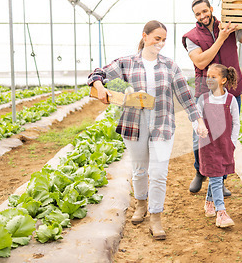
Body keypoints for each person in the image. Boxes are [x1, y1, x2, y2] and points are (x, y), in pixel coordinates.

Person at [88, 20, 208, 240]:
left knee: (159, 173)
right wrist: (100, 88)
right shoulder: (128, 63)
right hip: (135, 123)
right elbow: (97, 74)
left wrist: (197, 120)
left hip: (162, 123)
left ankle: (155, 218)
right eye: (156, 38)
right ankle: (141, 205)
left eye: (163, 40)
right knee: (140, 170)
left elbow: (185, 96)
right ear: (145, 36)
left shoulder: (169, 66)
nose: (160, 43)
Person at [182, 0, 242, 195]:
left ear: (211, 9)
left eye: (204, 11)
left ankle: (220, 180)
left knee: (225, 137)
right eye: (198, 14)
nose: (202, 16)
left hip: (230, 91)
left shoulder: (231, 27)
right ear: (194, 16)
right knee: (200, 136)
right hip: (205, 93)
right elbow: (201, 62)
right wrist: (221, 37)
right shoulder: (191, 37)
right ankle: (199, 172)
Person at [193, 63, 240, 228]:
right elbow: (195, 119)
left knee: (218, 174)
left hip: (225, 144)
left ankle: (208, 202)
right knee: (216, 176)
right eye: (208, 77)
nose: (209, 80)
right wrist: (199, 128)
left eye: (214, 77)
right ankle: (221, 212)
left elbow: (236, 124)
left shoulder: (230, 100)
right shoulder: (203, 99)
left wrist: (232, 142)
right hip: (208, 145)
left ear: (223, 80)